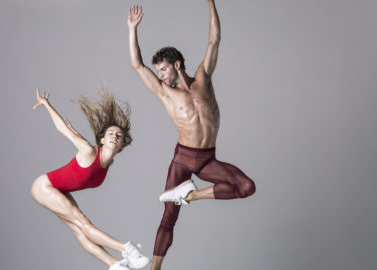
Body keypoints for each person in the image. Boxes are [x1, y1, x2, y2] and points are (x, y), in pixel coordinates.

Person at [127, 1, 256, 269]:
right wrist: (132, 30)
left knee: (246, 187)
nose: (160, 75)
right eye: (159, 71)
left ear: (177, 64)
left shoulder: (203, 79)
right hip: (183, 159)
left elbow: (214, 40)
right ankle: (155, 268)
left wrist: (210, 2)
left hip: (208, 159)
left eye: (163, 69)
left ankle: (189, 195)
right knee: (168, 217)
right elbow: (138, 66)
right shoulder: (165, 93)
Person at [31, 88, 150, 270]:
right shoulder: (88, 151)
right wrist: (47, 104)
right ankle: (127, 249)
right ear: (102, 139)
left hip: (60, 190)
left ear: (121, 145)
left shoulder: (108, 164)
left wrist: (73, 131)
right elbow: (62, 127)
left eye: (119, 136)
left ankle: (115, 265)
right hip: (44, 187)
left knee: (79, 230)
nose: (114, 137)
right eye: (110, 133)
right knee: (82, 221)